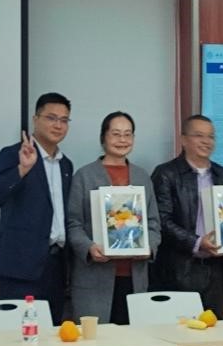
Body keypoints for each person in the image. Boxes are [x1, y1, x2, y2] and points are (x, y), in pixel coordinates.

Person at [0, 92, 73, 324]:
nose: (58, 125)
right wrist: (22, 170)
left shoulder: (66, 164)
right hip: (20, 266)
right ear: (35, 119)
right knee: (19, 333)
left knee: (52, 334)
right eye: (51, 118)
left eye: (64, 120)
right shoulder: (13, 154)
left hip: (56, 265)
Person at [66, 111, 161, 325]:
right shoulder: (84, 175)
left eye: (128, 134)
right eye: (116, 134)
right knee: (96, 340)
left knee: (133, 339)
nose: (122, 140)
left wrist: (150, 247)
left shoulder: (142, 176)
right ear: (103, 137)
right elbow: (73, 223)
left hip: (135, 277)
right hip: (94, 278)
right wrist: (89, 248)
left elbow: (154, 222)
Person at [151, 114, 223, 315]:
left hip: (216, 270)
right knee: (181, 328)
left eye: (211, 136)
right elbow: (161, 220)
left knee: (216, 329)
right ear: (183, 140)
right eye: (199, 135)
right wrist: (197, 242)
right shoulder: (166, 174)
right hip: (179, 269)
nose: (206, 141)